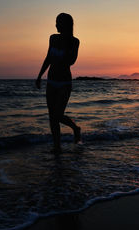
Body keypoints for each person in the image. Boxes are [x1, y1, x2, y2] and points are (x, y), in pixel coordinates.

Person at [36, 13, 81, 153]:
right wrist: (39, 76)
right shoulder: (52, 38)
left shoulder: (74, 41)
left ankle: (75, 128)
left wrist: (66, 47)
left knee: (58, 114)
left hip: (65, 82)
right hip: (51, 81)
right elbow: (48, 58)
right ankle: (57, 146)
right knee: (52, 116)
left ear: (65, 24)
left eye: (58, 22)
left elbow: (72, 62)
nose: (56, 25)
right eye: (55, 22)